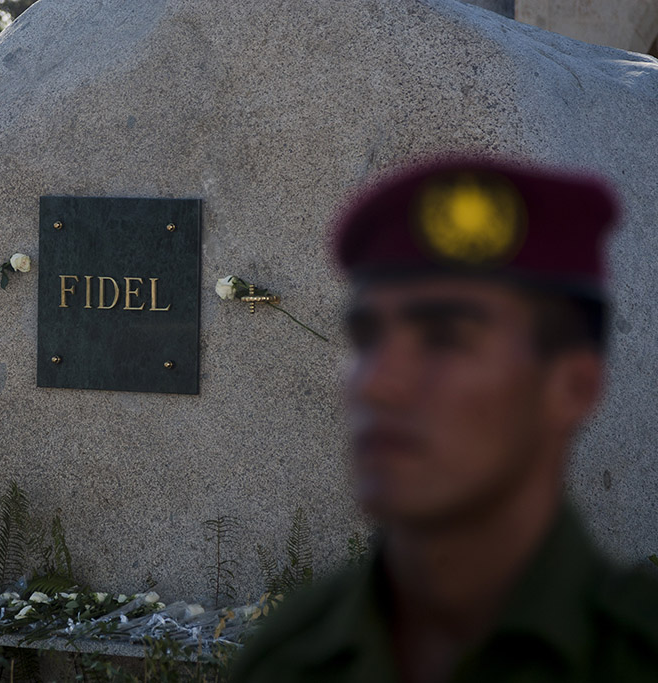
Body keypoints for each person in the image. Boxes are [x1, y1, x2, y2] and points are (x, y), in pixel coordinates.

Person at [232, 157, 658, 682]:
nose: (375, 382)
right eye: (367, 337)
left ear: (572, 387)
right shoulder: (287, 661)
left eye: (444, 339)